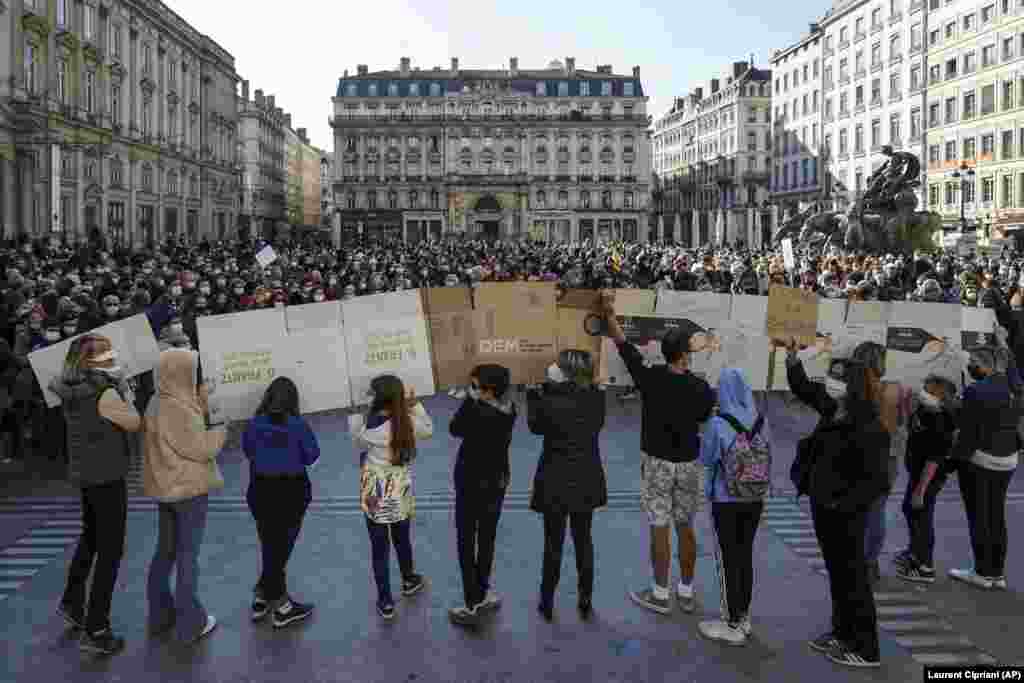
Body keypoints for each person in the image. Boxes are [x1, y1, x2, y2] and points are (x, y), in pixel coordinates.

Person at [600, 292, 715, 615]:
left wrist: (609, 315)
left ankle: (660, 593)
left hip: (657, 462)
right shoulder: (701, 388)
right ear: (685, 355)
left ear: (666, 353)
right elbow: (706, 417)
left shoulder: (650, 378)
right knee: (686, 526)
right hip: (689, 463)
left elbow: (624, 347)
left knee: (659, 526)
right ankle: (687, 591)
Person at [786, 339, 891, 668]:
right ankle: (842, 632)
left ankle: (866, 647)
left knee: (854, 577)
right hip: (824, 507)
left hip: (845, 514)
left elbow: (876, 483)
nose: (829, 382)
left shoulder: (869, 428)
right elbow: (804, 388)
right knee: (838, 574)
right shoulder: (834, 409)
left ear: (853, 387)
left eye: (837, 378)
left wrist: (841, 504)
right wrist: (791, 357)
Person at [50, 335, 141, 655]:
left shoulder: (70, 390)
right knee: (110, 551)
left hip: (86, 474)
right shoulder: (104, 394)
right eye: (106, 354)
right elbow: (133, 422)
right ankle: (97, 627)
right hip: (107, 475)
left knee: (90, 538)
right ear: (92, 362)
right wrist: (126, 391)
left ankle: (72, 601)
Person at [142, 348, 227, 644]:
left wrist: (201, 401)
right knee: (188, 556)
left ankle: (160, 616)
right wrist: (219, 427)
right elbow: (202, 448)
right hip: (188, 490)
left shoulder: (156, 401)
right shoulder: (177, 409)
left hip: (165, 490)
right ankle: (191, 622)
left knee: (164, 553)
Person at [527, 349, 607, 621]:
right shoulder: (595, 399)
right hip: (585, 479)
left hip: (555, 480)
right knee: (584, 540)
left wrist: (533, 394)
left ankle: (547, 599)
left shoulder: (548, 400)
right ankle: (586, 597)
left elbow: (535, 427)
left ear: (565, 373)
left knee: (553, 543)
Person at [350, 375, 433, 620]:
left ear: (378, 397)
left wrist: (357, 418)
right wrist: (415, 404)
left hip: (375, 488)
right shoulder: (407, 421)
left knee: (379, 547)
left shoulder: (371, 427)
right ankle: (409, 579)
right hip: (400, 487)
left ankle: (385, 600)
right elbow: (428, 429)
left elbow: (357, 442)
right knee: (402, 537)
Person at [697, 367, 770, 646]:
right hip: (754, 498)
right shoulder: (762, 421)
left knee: (727, 558)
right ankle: (744, 616)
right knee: (744, 556)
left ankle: (731, 623)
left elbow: (706, 459)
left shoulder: (718, 423)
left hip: (726, 500)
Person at [242, 377, 320, 628]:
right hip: (292, 493)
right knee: (281, 548)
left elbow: (248, 452)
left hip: (261, 491)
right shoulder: (298, 425)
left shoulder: (254, 424)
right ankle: (283, 606)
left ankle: (262, 594)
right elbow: (311, 456)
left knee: (270, 545)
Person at [447, 364, 517, 628]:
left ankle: (471, 601)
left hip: (471, 484)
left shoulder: (478, 412)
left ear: (488, 391)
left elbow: (454, 429)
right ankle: (483, 590)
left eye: (475, 386)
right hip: (496, 482)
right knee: (487, 538)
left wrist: (468, 401)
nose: (471, 389)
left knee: (466, 541)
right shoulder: (509, 409)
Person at [947, 348, 1017, 590]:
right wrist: (1003, 342)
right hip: (1008, 459)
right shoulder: (1012, 385)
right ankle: (997, 574)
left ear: (984, 365)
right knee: (996, 515)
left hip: (982, 459)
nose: (971, 367)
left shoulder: (975, 391)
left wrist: (952, 463)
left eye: (973, 363)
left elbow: (967, 435)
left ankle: (981, 572)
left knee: (979, 516)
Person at [895, 375, 958, 584]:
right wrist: (905, 403)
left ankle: (924, 566)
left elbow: (934, 460)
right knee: (909, 509)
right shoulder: (926, 410)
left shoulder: (942, 420)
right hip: (917, 471)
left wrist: (921, 490)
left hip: (928, 476)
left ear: (940, 394)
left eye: (928, 389)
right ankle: (915, 551)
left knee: (921, 515)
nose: (922, 391)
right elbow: (910, 426)